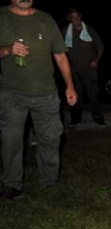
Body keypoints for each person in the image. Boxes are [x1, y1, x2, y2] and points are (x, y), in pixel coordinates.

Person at [0, 0, 78, 200]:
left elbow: (60, 55)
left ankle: (49, 182)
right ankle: (12, 184)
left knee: (50, 139)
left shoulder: (46, 19)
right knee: (11, 141)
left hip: (46, 94)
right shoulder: (2, 16)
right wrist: (7, 50)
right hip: (11, 94)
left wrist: (69, 85)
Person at [62, 7, 106, 127]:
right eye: (72, 17)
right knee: (75, 96)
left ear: (80, 17)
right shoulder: (65, 31)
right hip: (73, 70)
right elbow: (59, 50)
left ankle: (99, 120)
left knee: (93, 95)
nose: (75, 19)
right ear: (69, 19)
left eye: (77, 16)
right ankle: (75, 120)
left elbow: (101, 47)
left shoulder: (90, 30)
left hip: (89, 69)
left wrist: (96, 61)